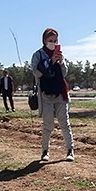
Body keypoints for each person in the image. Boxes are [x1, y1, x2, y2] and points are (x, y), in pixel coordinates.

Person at [31, 27, 74, 162]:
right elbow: (36, 72)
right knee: (48, 125)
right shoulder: (38, 55)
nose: (53, 43)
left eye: (55, 41)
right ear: (44, 40)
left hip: (61, 93)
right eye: (50, 40)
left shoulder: (59, 53)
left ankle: (70, 151)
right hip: (46, 94)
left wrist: (60, 62)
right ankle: (45, 151)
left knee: (64, 123)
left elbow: (64, 73)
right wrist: (50, 62)